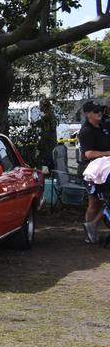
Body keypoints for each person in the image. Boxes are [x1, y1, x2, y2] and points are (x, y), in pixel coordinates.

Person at [77, 100, 110, 244]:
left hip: (105, 170)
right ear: (87, 114)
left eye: (101, 111)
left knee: (106, 201)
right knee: (94, 202)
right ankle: (89, 233)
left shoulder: (104, 126)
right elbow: (88, 154)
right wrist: (108, 153)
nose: (100, 114)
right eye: (96, 111)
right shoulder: (86, 131)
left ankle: (92, 226)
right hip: (91, 172)